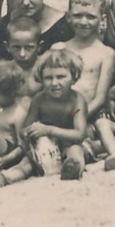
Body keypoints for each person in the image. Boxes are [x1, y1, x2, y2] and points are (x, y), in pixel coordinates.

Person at [55, 0, 115, 169]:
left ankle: (83, 158)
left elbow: (100, 98)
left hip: (91, 116)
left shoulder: (105, 53)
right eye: (78, 15)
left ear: (102, 19)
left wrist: (76, 117)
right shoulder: (58, 49)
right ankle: (78, 160)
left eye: (90, 16)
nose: (83, 21)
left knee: (89, 133)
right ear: (68, 16)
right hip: (60, 116)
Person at [23, 47, 91, 181]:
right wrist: (28, 133)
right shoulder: (39, 100)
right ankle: (7, 177)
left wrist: (48, 130)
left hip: (71, 144)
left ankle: (72, 172)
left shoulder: (76, 101)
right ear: (41, 79)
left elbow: (79, 134)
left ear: (74, 77)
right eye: (48, 78)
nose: (54, 83)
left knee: (75, 153)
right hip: (46, 148)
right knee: (26, 163)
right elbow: (26, 127)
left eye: (61, 77)